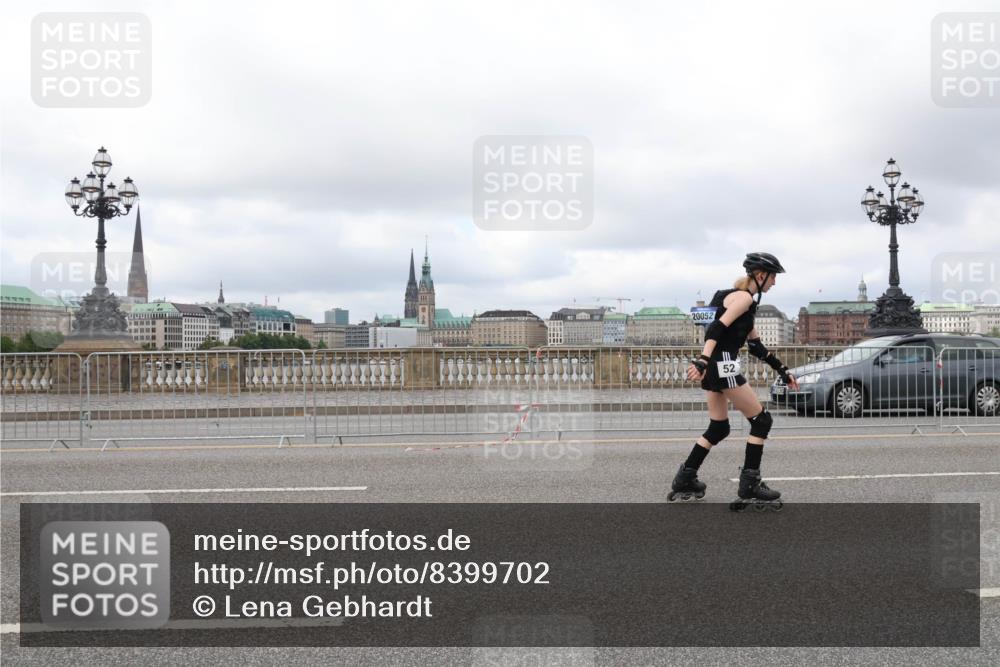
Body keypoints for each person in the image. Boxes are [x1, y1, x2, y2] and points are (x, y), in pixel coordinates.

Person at [667, 252, 800, 509]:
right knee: (762, 421)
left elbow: (756, 346)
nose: (774, 282)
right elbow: (716, 328)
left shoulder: (729, 297)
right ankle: (750, 484)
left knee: (719, 428)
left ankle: (685, 478)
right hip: (722, 365)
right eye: (773, 277)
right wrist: (702, 360)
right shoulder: (744, 298)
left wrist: (783, 370)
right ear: (760, 275)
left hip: (713, 368)